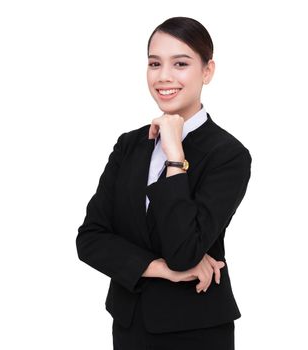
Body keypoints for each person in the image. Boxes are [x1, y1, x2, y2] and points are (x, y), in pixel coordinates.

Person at [76, 16, 252, 350]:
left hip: (196, 330)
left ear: (207, 71)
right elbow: (90, 240)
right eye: (155, 63)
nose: (164, 76)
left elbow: (184, 252)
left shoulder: (228, 155)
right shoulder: (129, 145)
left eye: (181, 63)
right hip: (130, 326)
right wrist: (159, 269)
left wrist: (174, 155)